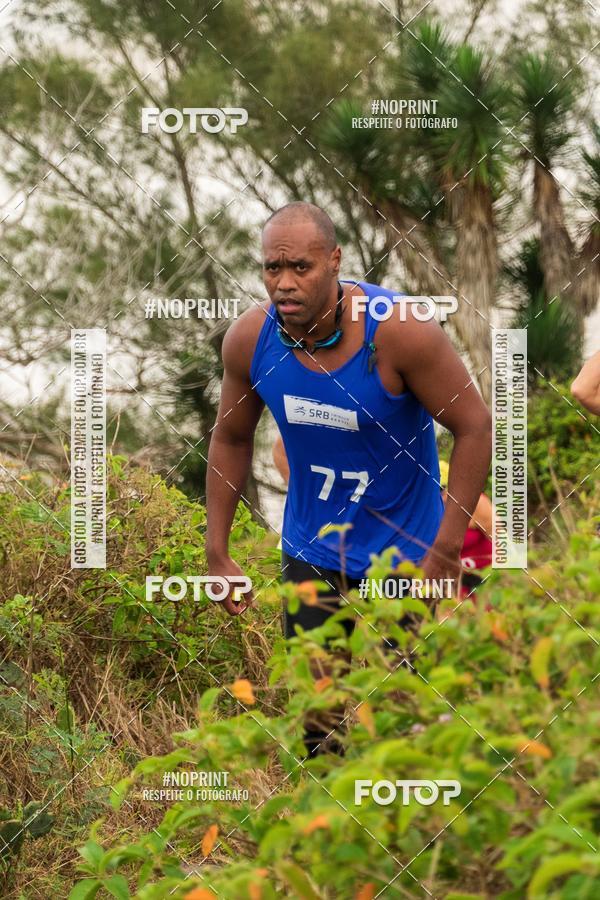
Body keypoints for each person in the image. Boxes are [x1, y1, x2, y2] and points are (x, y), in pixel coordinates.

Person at [206, 202, 492, 750]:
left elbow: (474, 426)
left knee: (407, 717)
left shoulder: (402, 333)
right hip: (314, 546)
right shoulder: (251, 340)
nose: (284, 283)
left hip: (404, 548)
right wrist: (217, 551)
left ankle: (419, 828)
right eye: (272, 268)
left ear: (335, 261)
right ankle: (330, 821)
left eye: (300, 268)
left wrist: (447, 549)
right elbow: (231, 437)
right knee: (320, 720)